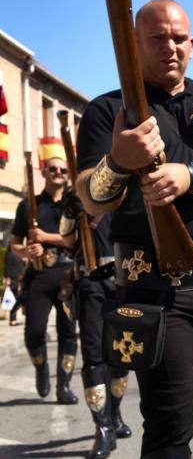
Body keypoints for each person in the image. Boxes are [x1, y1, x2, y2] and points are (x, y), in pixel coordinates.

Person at [75, 0, 193, 458]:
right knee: (168, 425)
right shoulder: (107, 111)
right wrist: (119, 161)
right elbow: (91, 197)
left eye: (179, 37)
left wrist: (189, 176)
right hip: (151, 287)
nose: (170, 46)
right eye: (157, 37)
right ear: (135, 45)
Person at [61, 205, 131, 458]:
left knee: (123, 354)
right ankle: (102, 428)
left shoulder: (126, 183)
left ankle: (114, 415)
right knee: (94, 356)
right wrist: (71, 212)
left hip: (125, 280)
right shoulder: (78, 196)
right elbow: (67, 242)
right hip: (91, 282)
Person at [9, 154, 79, 404]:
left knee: (68, 334)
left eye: (62, 169)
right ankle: (41, 368)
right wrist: (26, 250)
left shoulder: (76, 203)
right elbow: (15, 243)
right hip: (39, 276)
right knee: (34, 332)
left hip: (69, 275)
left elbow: (77, 240)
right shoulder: (29, 204)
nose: (58, 172)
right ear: (43, 171)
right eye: (53, 168)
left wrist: (45, 237)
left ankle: (64, 386)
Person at [4, 243, 25, 326]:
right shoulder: (12, 255)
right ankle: (13, 319)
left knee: (16, 299)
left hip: (15, 279)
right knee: (17, 299)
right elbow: (10, 268)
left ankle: (13, 319)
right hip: (15, 279)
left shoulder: (10, 255)